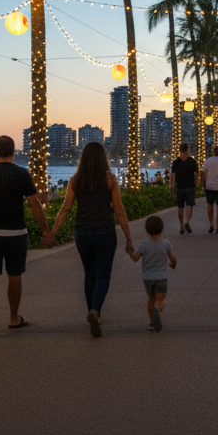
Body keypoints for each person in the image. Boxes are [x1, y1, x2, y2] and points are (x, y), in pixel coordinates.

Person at [47, 141, 135, 338]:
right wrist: (129, 238)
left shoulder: (75, 180)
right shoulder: (110, 180)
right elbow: (120, 210)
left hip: (82, 233)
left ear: (83, 159)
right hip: (104, 232)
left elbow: (66, 209)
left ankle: (94, 313)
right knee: (103, 276)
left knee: (89, 275)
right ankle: (95, 311)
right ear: (103, 158)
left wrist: (53, 233)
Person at [0, 135, 47, 339]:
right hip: (15, 233)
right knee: (14, 275)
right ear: (13, 152)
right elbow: (34, 204)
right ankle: (13, 318)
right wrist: (45, 230)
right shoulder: (22, 174)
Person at [130, 215, 176, 332]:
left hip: (147, 278)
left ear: (147, 229)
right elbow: (173, 258)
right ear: (162, 228)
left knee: (151, 298)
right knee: (160, 300)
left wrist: (130, 251)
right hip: (161, 277)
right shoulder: (165, 243)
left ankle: (152, 323)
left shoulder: (143, 244)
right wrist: (173, 264)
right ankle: (157, 308)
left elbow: (135, 258)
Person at [170, 143, 198, 234]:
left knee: (180, 207)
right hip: (190, 186)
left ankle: (181, 226)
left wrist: (172, 186)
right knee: (189, 205)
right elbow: (196, 175)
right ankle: (187, 222)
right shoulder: (192, 161)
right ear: (187, 150)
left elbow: (173, 176)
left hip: (180, 187)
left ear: (180, 150)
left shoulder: (176, 162)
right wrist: (196, 181)